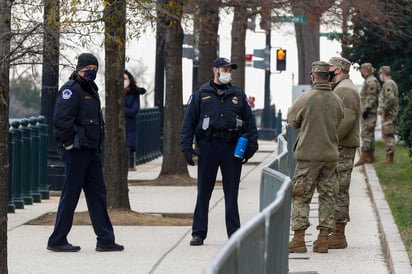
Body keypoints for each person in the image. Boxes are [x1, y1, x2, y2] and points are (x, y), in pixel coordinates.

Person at [47, 53, 124, 252]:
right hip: (77, 152)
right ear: (80, 68)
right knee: (71, 195)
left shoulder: (91, 90)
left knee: (98, 194)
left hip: (91, 151)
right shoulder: (71, 90)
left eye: (95, 68)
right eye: (88, 68)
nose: (92, 71)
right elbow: (61, 121)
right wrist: (69, 145)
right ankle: (57, 239)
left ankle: (105, 239)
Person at [180, 57, 258, 246]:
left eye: (230, 70)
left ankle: (234, 233)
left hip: (231, 148)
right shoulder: (201, 94)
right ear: (215, 70)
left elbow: (250, 123)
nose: (227, 73)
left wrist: (250, 147)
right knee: (204, 192)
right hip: (208, 147)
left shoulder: (238, 95)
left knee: (231, 192)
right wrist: (186, 148)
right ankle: (198, 232)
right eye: (224, 69)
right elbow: (188, 123)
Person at [287, 61, 344, 253]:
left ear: (313, 77)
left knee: (301, 196)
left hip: (309, 156)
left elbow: (293, 121)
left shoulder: (306, 98)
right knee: (327, 196)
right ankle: (323, 240)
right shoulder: (337, 100)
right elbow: (339, 121)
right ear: (328, 77)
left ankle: (299, 239)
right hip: (330, 155)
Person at [327, 57, 361, 249]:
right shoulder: (341, 87)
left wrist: (330, 140)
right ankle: (334, 230)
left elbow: (345, 121)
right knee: (334, 188)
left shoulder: (345, 89)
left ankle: (339, 234)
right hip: (340, 145)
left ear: (338, 69)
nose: (327, 70)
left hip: (342, 146)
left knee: (339, 189)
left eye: (330, 67)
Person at [355, 63, 380, 166]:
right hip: (368, 111)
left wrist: (367, 109)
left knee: (366, 134)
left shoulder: (371, 81)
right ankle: (370, 157)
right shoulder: (369, 81)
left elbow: (371, 97)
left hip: (369, 112)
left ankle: (365, 156)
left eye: (362, 70)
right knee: (369, 134)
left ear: (365, 70)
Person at [123, 69, 146, 170]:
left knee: (129, 145)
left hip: (130, 125)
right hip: (119, 126)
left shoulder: (133, 92)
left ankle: (130, 165)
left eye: (125, 78)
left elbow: (134, 110)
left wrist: (121, 110)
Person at [378, 66, 399, 163]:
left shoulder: (388, 83)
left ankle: (389, 158)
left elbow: (390, 98)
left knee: (388, 135)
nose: (379, 75)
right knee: (388, 134)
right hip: (390, 113)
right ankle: (389, 157)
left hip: (389, 114)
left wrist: (383, 110)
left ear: (383, 73)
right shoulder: (390, 83)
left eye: (380, 73)